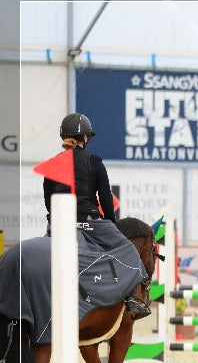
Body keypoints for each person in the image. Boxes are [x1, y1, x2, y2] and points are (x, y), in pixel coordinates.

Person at [43, 112, 151, 319]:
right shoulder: (94, 162)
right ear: (85, 137)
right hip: (90, 222)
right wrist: (111, 222)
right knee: (128, 249)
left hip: (59, 224)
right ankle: (131, 299)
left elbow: (49, 202)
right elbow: (105, 199)